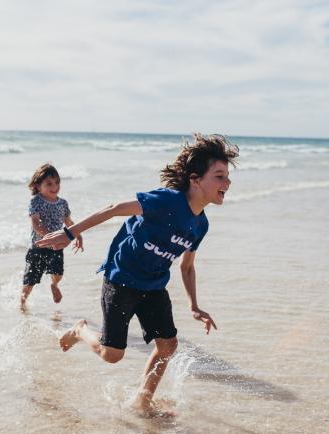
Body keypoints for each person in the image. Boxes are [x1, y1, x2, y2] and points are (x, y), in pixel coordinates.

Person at [36, 133, 239, 415]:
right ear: (195, 179)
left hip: (154, 286)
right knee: (112, 355)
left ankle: (142, 401)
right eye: (219, 176)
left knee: (168, 347)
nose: (227, 183)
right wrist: (70, 233)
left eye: (227, 177)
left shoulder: (200, 225)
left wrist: (194, 306)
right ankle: (80, 330)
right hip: (121, 279)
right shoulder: (166, 201)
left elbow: (187, 266)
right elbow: (114, 209)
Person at [21, 163, 83, 310]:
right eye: (49, 183)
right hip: (38, 246)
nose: (54, 186)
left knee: (58, 273)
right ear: (38, 186)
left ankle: (54, 284)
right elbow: (35, 223)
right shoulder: (35, 201)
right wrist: (50, 236)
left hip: (56, 247)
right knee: (31, 279)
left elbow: (68, 222)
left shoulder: (62, 203)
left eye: (57, 182)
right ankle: (22, 303)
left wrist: (78, 235)